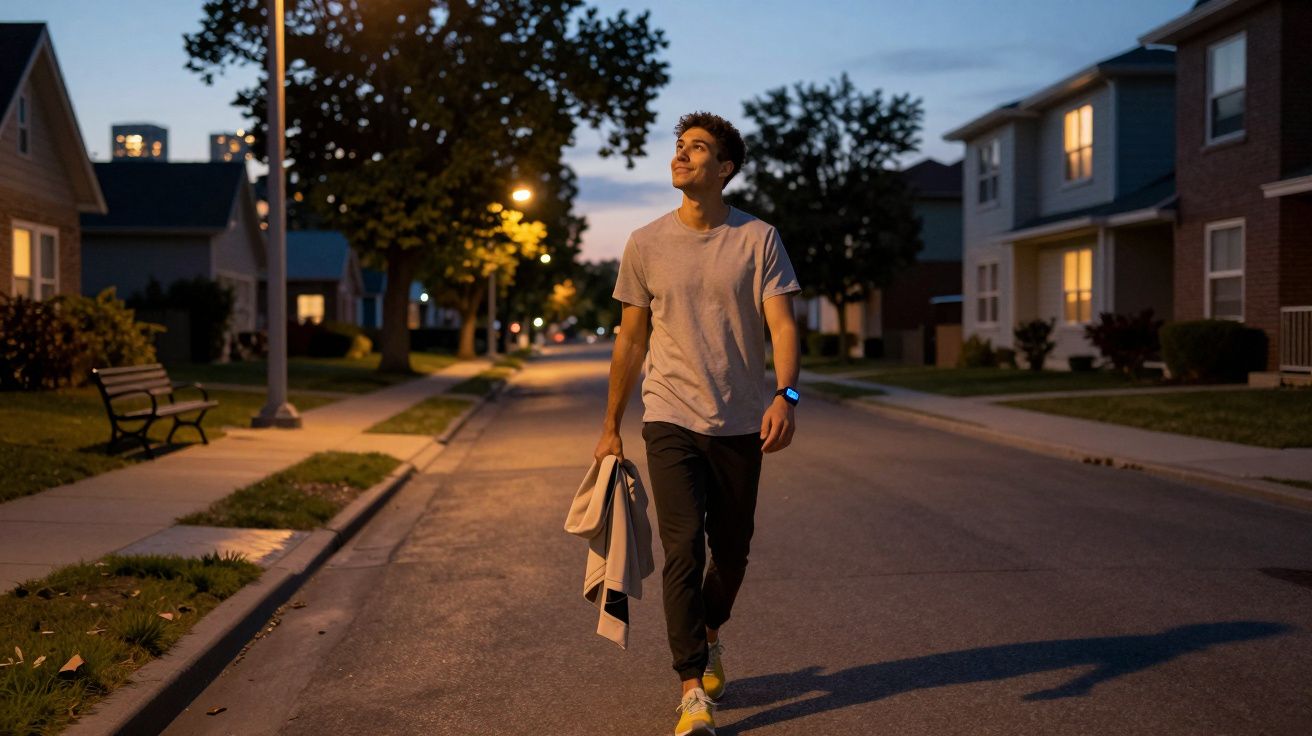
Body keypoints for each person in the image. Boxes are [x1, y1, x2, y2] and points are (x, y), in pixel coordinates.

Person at [594, 110, 802, 736]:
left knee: (731, 554)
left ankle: (709, 633)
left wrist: (786, 395)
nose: (680, 156)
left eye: (697, 149)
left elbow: (783, 325)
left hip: (739, 421)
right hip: (670, 417)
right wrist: (611, 424)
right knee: (682, 548)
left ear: (725, 169)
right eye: (679, 147)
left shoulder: (758, 239)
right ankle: (691, 689)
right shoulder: (645, 243)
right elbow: (631, 343)